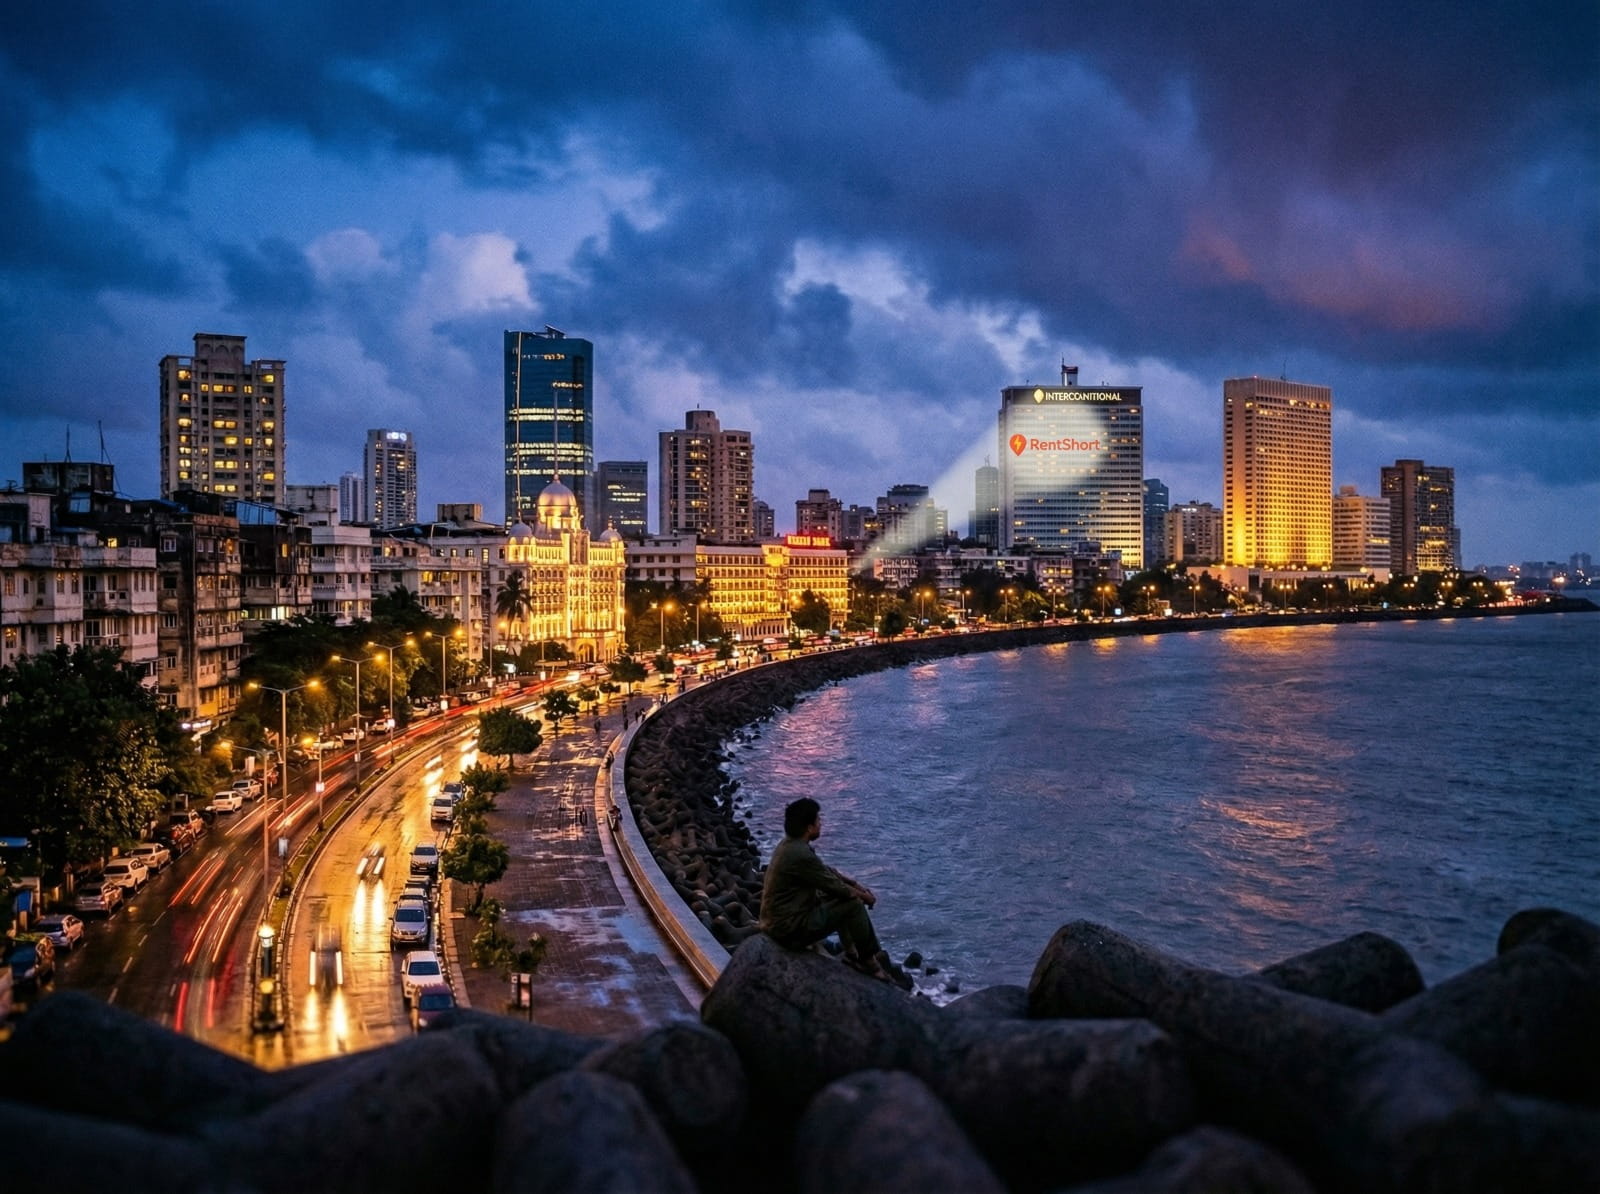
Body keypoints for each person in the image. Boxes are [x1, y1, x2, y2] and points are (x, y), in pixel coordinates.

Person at [759, 797, 893, 981]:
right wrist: (865, 897)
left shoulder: (790, 845)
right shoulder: (800, 854)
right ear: (809, 827)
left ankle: (852, 953)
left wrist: (855, 884)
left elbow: (827, 872)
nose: (821, 824)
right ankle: (868, 962)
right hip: (788, 931)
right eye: (818, 820)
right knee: (853, 904)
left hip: (779, 922)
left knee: (840, 898)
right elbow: (836, 887)